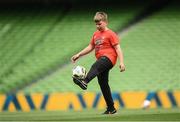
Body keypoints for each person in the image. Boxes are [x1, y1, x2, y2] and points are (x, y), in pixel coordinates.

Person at [71, 12, 125, 114]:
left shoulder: (111, 34)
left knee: (96, 65)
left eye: (99, 24)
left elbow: (118, 48)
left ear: (105, 22)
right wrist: (79, 54)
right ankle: (111, 108)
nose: (97, 26)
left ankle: (85, 81)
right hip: (101, 60)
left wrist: (121, 62)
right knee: (103, 83)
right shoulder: (96, 34)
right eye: (96, 24)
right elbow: (90, 47)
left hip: (109, 58)